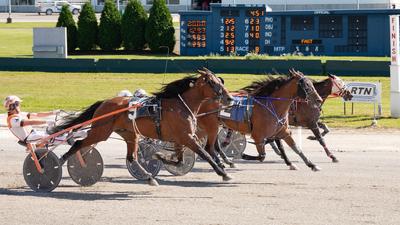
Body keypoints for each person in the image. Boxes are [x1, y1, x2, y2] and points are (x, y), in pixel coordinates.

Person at [4, 95, 85, 146]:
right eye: (17, 104)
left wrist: (53, 112)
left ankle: (80, 133)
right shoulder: (12, 120)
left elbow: (37, 115)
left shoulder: (20, 114)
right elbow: (29, 122)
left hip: (34, 134)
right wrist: (46, 121)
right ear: (11, 106)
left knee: (55, 133)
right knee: (49, 137)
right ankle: (72, 141)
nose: (20, 106)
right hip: (29, 138)